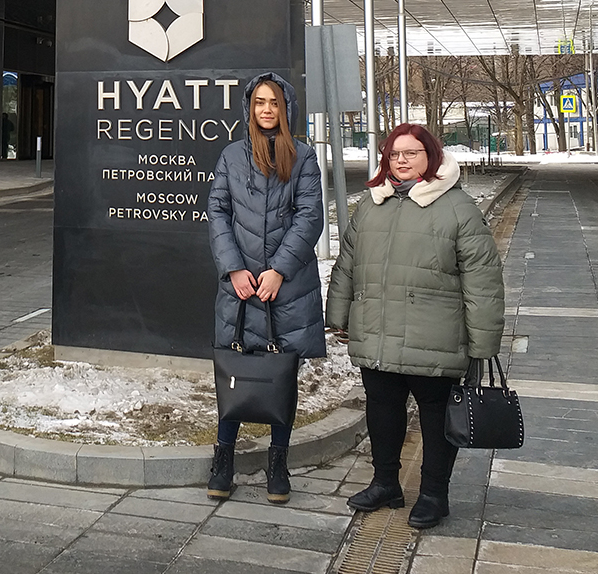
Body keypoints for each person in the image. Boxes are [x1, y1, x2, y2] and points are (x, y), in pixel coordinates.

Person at [325, 123, 504, 529]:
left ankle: (434, 494)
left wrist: (483, 342)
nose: (401, 160)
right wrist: (338, 315)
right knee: (382, 409)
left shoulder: (457, 207)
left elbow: (483, 278)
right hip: (378, 331)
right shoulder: (372, 203)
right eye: (394, 154)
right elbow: (348, 263)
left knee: (436, 417)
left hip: (434, 336)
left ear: (431, 156)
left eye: (411, 153)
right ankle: (385, 483)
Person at [206, 72, 325, 503]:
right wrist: (234, 269)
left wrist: (278, 270)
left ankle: (279, 463)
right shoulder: (231, 155)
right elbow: (218, 212)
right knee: (234, 372)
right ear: (249, 108)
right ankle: (223, 460)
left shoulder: (304, 157)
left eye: (274, 102)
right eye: (259, 102)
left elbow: (310, 217)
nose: (267, 110)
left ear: (286, 108)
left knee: (280, 375)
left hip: (286, 288)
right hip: (240, 288)